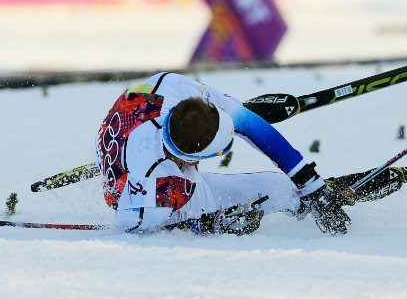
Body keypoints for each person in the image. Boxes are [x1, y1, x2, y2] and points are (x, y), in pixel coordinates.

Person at [95, 72, 350, 235]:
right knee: (278, 189)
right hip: (147, 193)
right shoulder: (162, 187)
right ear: (193, 158)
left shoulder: (170, 87)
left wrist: (309, 180)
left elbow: (249, 124)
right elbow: (131, 224)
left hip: (128, 135)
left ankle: (306, 194)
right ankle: (301, 200)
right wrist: (211, 223)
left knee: (284, 182)